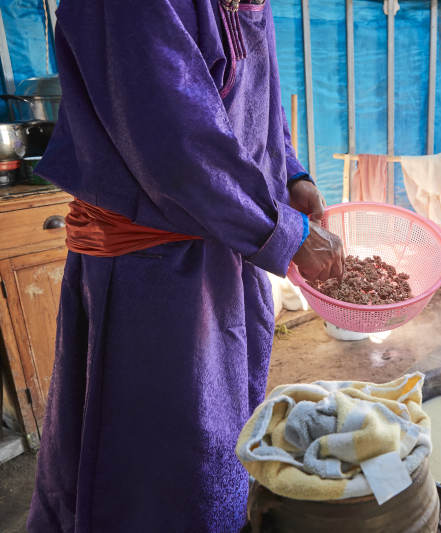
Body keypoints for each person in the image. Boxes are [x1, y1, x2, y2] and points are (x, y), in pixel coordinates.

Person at [26, 1, 344, 531]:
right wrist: (281, 231)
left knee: (223, 438)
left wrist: (291, 176)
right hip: (153, 276)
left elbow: (255, 107)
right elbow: (177, 143)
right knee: (156, 464)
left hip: (225, 251)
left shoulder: (250, 5)